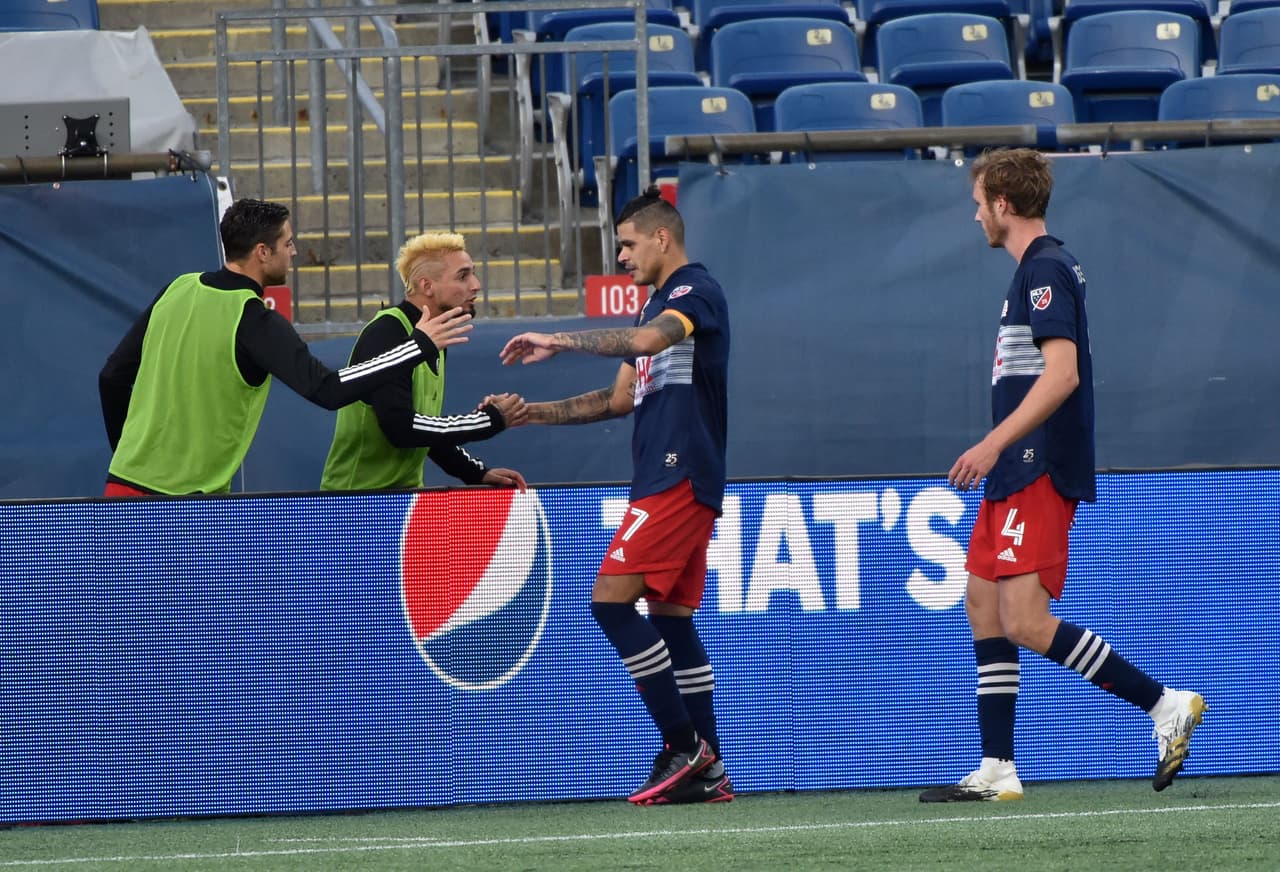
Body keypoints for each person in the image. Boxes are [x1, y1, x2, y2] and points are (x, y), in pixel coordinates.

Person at [919, 149, 1207, 803]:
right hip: (1014, 470)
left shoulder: (1045, 267)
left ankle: (1164, 705)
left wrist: (993, 444)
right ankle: (998, 766)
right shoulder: (1032, 271)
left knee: (1023, 618)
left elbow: (1063, 374)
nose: (975, 216)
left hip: (1034, 465)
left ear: (1002, 204)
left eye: (978, 202)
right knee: (981, 603)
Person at [500, 187, 732, 806]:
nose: (621, 256)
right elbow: (617, 399)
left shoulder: (693, 293)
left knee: (610, 602)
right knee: (670, 618)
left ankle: (684, 746)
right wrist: (532, 416)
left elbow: (651, 343)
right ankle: (708, 772)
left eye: (628, 244)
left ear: (662, 237)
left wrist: (560, 339)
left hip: (678, 476)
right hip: (668, 476)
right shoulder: (653, 305)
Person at [99, 198, 473, 496]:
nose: (294, 252)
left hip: (123, 483)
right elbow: (327, 390)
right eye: (288, 243)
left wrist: (128, 455)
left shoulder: (177, 288)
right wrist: (417, 346)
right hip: (186, 503)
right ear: (263, 252)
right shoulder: (254, 320)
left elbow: (112, 377)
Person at [321, 232, 529, 492]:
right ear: (427, 286)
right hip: (356, 501)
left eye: (473, 273)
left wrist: (476, 472)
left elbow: (425, 428)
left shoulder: (434, 337)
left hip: (405, 497)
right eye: (463, 276)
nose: (475, 284)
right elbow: (402, 428)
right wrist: (488, 421)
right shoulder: (388, 332)